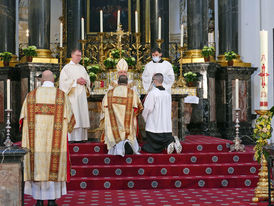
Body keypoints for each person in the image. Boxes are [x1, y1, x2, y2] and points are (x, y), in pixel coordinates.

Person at [20, 70, 75, 206]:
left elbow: (21, 120)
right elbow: (71, 120)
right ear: (53, 80)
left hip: (36, 146)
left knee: (38, 166)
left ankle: (38, 200)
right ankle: (52, 200)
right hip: (54, 145)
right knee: (53, 167)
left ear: (42, 80)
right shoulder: (61, 96)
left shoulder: (31, 96)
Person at [102, 75, 143, 156]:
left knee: (115, 133)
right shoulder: (131, 93)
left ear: (118, 82)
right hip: (127, 124)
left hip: (114, 124)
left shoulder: (109, 93)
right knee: (127, 132)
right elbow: (138, 107)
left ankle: (117, 149)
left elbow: (104, 107)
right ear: (127, 83)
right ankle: (126, 144)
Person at [142, 73, 182, 154]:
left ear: (155, 81)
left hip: (154, 122)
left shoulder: (153, 93)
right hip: (166, 124)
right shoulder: (167, 93)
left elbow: (148, 108)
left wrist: (144, 117)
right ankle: (171, 141)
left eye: (153, 80)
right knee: (164, 136)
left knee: (149, 146)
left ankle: (171, 142)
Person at [59, 49, 91, 142]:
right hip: (72, 96)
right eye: (77, 55)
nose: (79, 58)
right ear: (72, 55)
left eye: (80, 56)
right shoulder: (66, 68)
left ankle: (82, 138)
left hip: (81, 96)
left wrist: (86, 82)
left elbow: (88, 80)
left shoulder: (82, 68)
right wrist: (75, 81)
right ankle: (72, 138)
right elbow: (63, 82)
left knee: (82, 115)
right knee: (74, 114)